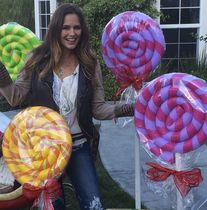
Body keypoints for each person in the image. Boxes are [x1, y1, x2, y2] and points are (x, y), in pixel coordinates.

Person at [0, 3, 134, 210]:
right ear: (55, 29)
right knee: (53, 206)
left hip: (78, 146)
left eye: (76, 27)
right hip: (43, 150)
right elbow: (15, 98)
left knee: (94, 205)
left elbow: (98, 108)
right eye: (66, 27)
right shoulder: (36, 59)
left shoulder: (89, 62)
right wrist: (1, 74)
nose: (72, 33)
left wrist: (128, 108)